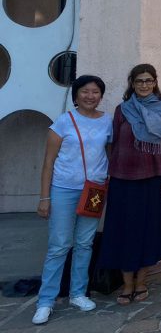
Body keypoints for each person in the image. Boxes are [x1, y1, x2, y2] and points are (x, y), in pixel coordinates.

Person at [33, 75, 112, 325]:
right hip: (64, 189)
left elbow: (110, 155)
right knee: (59, 245)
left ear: (101, 96)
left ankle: (78, 293)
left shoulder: (107, 122)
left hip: (94, 191)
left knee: (85, 243)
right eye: (85, 91)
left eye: (95, 92)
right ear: (76, 95)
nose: (90, 96)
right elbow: (48, 163)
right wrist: (45, 197)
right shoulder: (63, 122)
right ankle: (46, 301)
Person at [99, 64, 161, 304]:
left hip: (153, 181)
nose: (144, 85)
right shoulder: (122, 110)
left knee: (148, 232)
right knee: (123, 232)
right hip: (122, 181)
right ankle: (127, 285)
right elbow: (113, 144)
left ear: (155, 82)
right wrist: (114, 169)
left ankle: (142, 282)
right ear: (132, 84)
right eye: (139, 81)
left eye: (148, 80)